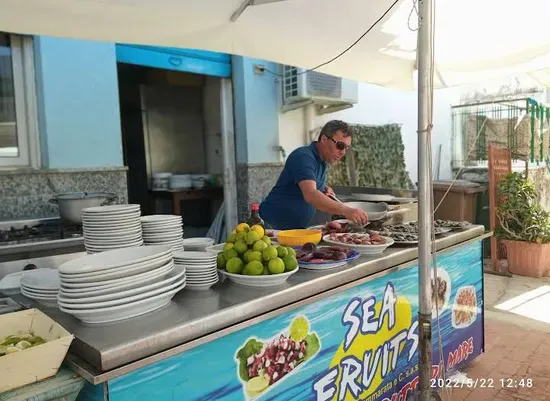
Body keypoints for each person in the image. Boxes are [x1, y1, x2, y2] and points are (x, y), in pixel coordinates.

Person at [259, 120, 369, 230]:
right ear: (324, 139)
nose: (343, 152)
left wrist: (323, 188)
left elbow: (308, 184)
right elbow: (311, 194)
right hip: (271, 227)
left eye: (346, 148)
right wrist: (346, 210)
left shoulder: (322, 160)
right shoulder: (304, 157)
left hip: (292, 229)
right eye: (340, 145)